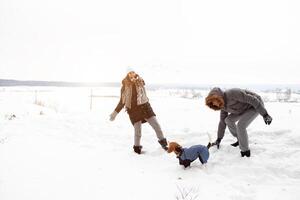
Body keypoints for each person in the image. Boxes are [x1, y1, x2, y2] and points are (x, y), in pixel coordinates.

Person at [109, 71, 168, 154]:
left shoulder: (140, 82)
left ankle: (165, 145)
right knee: (138, 132)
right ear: (127, 75)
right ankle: (137, 149)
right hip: (133, 110)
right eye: (130, 73)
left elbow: (143, 83)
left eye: (133, 72)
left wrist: (138, 80)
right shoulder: (125, 86)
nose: (132, 74)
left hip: (145, 107)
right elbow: (122, 101)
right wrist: (115, 113)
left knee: (156, 125)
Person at [205, 87, 272, 157]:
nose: (216, 104)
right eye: (213, 104)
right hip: (242, 109)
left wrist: (265, 114)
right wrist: (219, 138)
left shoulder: (232, 93)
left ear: (218, 97)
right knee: (228, 120)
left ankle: (245, 151)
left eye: (216, 101)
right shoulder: (222, 106)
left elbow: (253, 100)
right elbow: (222, 122)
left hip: (255, 105)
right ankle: (240, 139)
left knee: (241, 125)